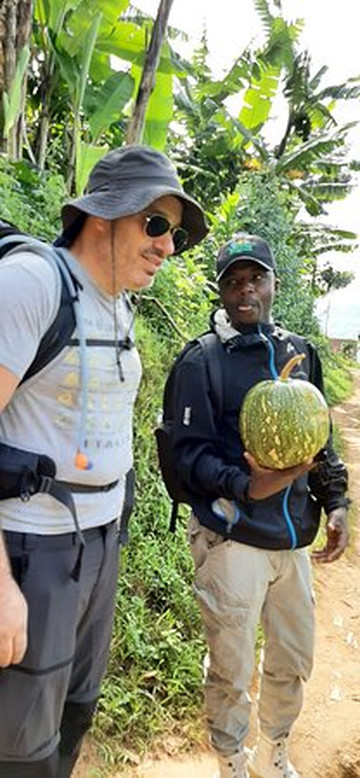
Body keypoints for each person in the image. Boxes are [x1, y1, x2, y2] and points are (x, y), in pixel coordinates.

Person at [0, 144, 207, 778]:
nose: (167, 246)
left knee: (73, 711)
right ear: (103, 217)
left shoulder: (119, 301)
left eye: (172, 232)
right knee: (18, 740)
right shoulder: (32, 284)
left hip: (99, 543)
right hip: (34, 550)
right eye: (154, 225)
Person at [170, 233, 349, 778]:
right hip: (232, 538)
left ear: (274, 284)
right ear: (221, 289)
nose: (245, 290)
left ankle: (274, 751)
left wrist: (334, 499)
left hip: (292, 538)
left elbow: (319, 438)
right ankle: (231, 758)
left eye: (256, 279)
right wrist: (246, 485)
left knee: (292, 660)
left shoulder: (301, 353)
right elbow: (183, 459)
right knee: (232, 666)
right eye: (233, 281)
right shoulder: (202, 361)